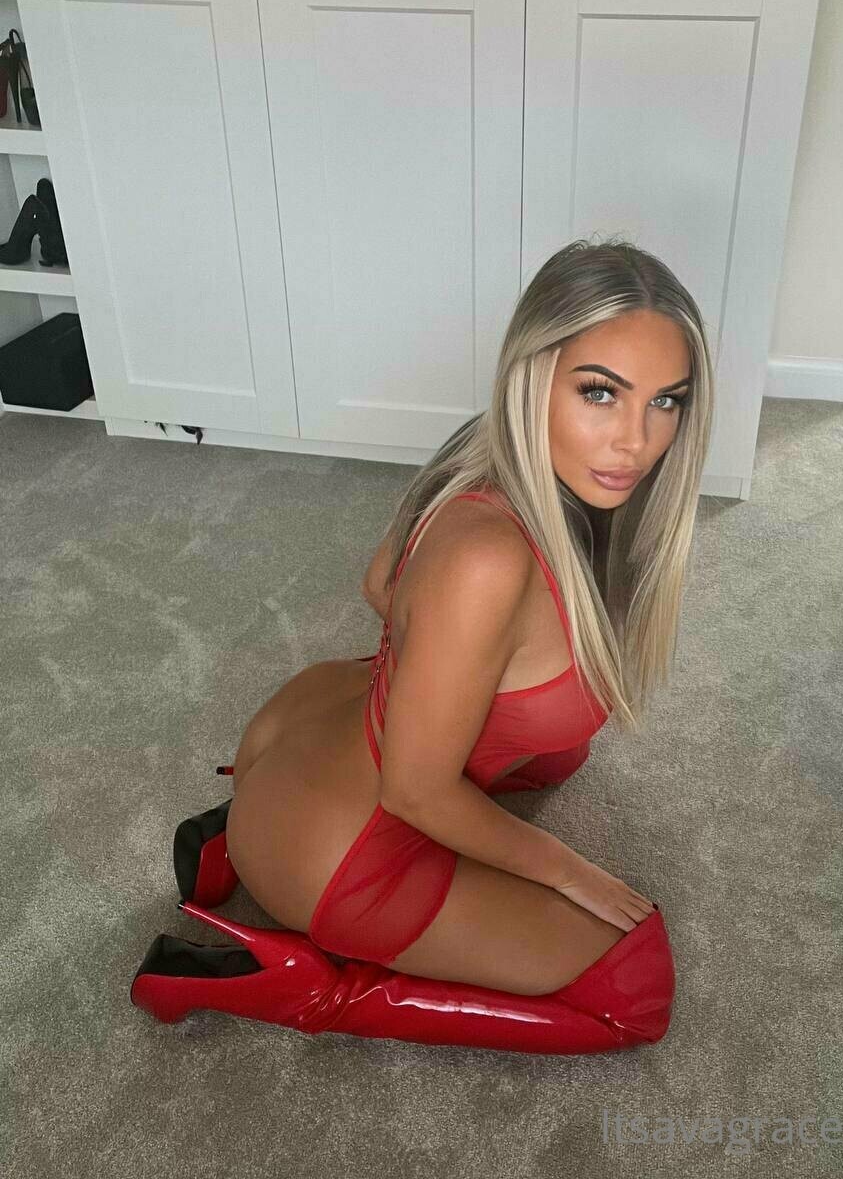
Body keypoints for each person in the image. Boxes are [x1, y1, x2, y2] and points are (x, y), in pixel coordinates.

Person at [130, 236, 716, 1055]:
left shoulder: (482, 448)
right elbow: (414, 791)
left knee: (558, 753)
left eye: (666, 401)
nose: (636, 442)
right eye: (599, 392)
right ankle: (302, 988)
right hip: (349, 851)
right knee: (635, 988)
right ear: (531, 376)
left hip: (308, 732)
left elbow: (381, 585)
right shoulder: (487, 559)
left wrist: (450, 652)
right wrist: (568, 869)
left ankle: (234, 835)